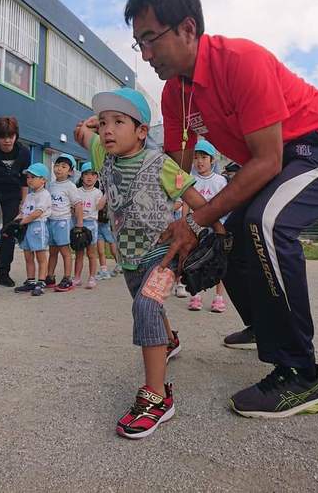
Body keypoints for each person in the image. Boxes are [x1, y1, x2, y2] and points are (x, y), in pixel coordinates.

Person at [123, 0, 318, 419]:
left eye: (150, 39)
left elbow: (266, 162)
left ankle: (302, 375)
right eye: (137, 43)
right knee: (230, 231)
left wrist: (194, 220)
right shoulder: (174, 93)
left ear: (187, 28)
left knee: (266, 223)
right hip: (279, 156)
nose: (144, 54)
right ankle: (265, 326)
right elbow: (174, 170)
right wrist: (163, 225)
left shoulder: (240, 60)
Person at [89, 86, 213, 439]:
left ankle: (157, 397)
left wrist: (215, 231)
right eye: (103, 122)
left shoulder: (161, 163)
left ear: (142, 130)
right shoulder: (103, 156)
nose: (107, 129)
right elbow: (85, 133)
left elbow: (195, 198)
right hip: (128, 257)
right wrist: (90, 126)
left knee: (146, 306)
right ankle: (169, 340)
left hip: (162, 254)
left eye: (118, 121)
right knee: (151, 308)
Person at [184, 138, 227, 312]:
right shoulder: (191, 180)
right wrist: (185, 223)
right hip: (195, 228)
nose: (199, 161)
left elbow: (225, 204)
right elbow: (185, 204)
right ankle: (195, 296)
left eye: (204, 157)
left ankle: (219, 298)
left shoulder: (220, 181)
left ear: (212, 160)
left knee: (219, 261)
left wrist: (222, 229)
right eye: (196, 157)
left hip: (216, 227)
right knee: (194, 260)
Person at [0, 116, 30, 287]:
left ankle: (3, 274)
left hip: (12, 195)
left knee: (9, 232)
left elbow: (25, 179)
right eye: (3, 136)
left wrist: (24, 203)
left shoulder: (23, 152)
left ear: (16, 136)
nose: (7, 140)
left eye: (10, 136)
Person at [46, 153, 83, 292]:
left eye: (63, 166)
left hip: (63, 222)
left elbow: (78, 205)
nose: (58, 169)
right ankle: (50, 277)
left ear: (70, 171)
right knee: (52, 251)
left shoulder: (70, 186)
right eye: (56, 165)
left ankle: (67, 278)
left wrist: (79, 224)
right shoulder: (51, 185)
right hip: (51, 221)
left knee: (65, 251)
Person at [13, 163, 51, 296]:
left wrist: (22, 221)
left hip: (37, 227)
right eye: (28, 177)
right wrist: (14, 223)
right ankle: (30, 281)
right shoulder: (29, 196)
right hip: (26, 227)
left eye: (33, 177)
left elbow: (37, 213)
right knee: (28, 256)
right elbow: (23, 212)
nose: (29, 180)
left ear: (43, 180)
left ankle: (41, 282)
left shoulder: (45, 195)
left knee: (40, 256)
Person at [73, 162, 105, 289]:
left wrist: (107, 194)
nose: (89, 177)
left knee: (91, 253)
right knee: (79, 252)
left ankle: (92, 277)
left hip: (91, 224)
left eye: (93, 174)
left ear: (97, 177)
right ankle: (77, 277)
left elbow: (99, 207)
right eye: (86, 174)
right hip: (79, 224)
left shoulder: (98, 193)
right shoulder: (76, 191)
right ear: (81, 176)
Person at [96, 202, 120, 280]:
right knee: (101, 249)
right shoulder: (98, 191)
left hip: (106, 221)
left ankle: (119, 264)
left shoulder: (106, 192)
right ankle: (104, 270)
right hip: (98, 221)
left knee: (111, 243)